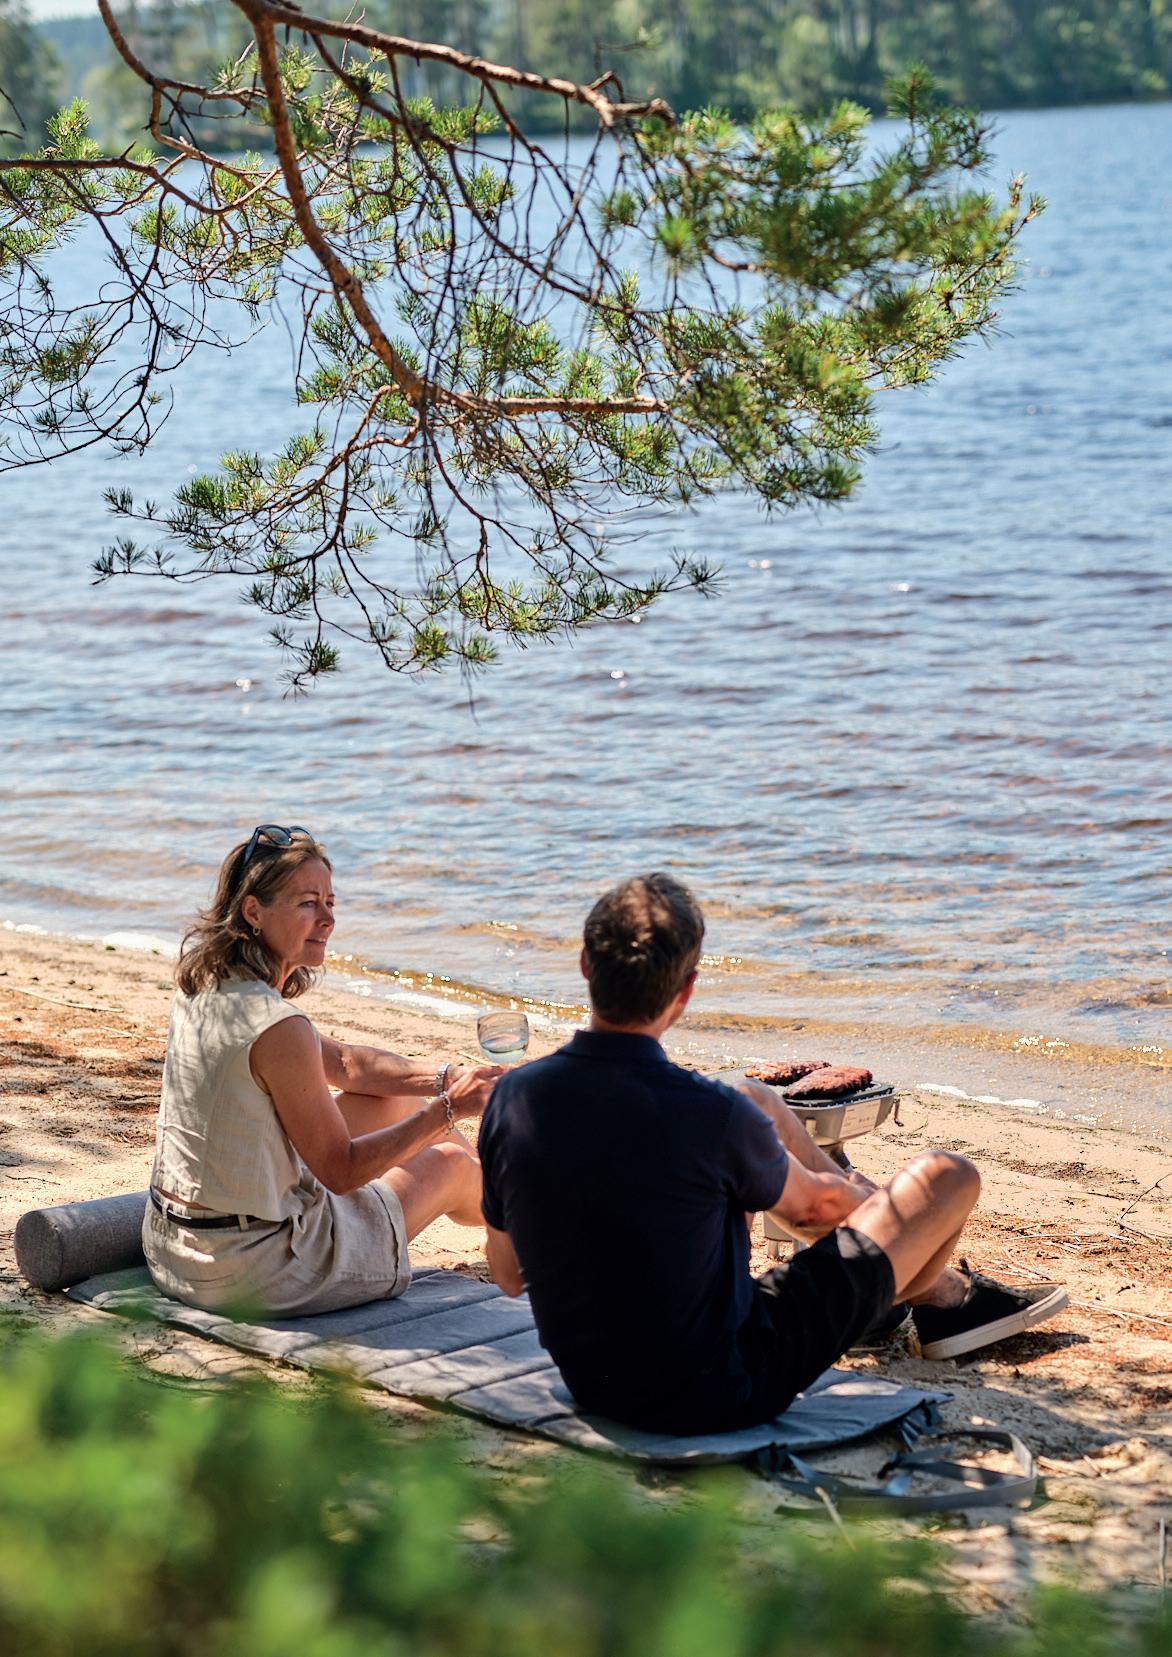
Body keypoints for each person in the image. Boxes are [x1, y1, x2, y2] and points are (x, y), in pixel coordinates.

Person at [478, 872, 1067, 1436]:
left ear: (586, 964)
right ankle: (933, 1297)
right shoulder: (708, 1114)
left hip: (593, 1383)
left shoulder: (513, 1098)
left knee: (754, 1097)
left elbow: (506, 1275)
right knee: (947, 1176)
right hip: (722, 1384)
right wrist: (877, 1205)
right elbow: (815, 1214)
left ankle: (923, 1298)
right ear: (686, 990)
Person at [143, 824, 500, 1315]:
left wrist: (450, 1079)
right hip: (257, 1270)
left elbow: (348, 1064)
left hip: (174, 1249)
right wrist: (449, 1110)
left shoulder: (206, 987)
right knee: (451, 1164)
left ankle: (512, 1210)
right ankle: (522, 1220)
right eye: (308, 903)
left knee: (395, 1105)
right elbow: (341, 1171)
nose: (328, 919)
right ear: (253, 911)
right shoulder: (278, 1028)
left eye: (330, 902)